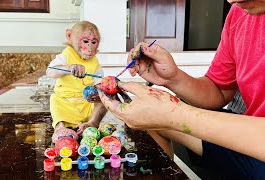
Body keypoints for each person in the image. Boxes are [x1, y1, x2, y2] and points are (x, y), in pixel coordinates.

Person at [97, 1, 265, 179]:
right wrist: (173, 79)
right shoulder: (240, 12)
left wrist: (176, 115)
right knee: (151, 119)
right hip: (249, 138)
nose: (232, 0)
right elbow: (219, 90)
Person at [46, 21, 107, 136]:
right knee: (55, 99)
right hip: (65, 102)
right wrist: (69, 68)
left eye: (93, 42)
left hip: (86, 103)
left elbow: (99, 82)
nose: (90, 48)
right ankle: (60, 127)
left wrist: (100, 92)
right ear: (69, 36)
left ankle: (92, 123)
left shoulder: (95, 62)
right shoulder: (66, 55)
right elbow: (50, 72)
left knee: (104, 100)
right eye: (85, 41)